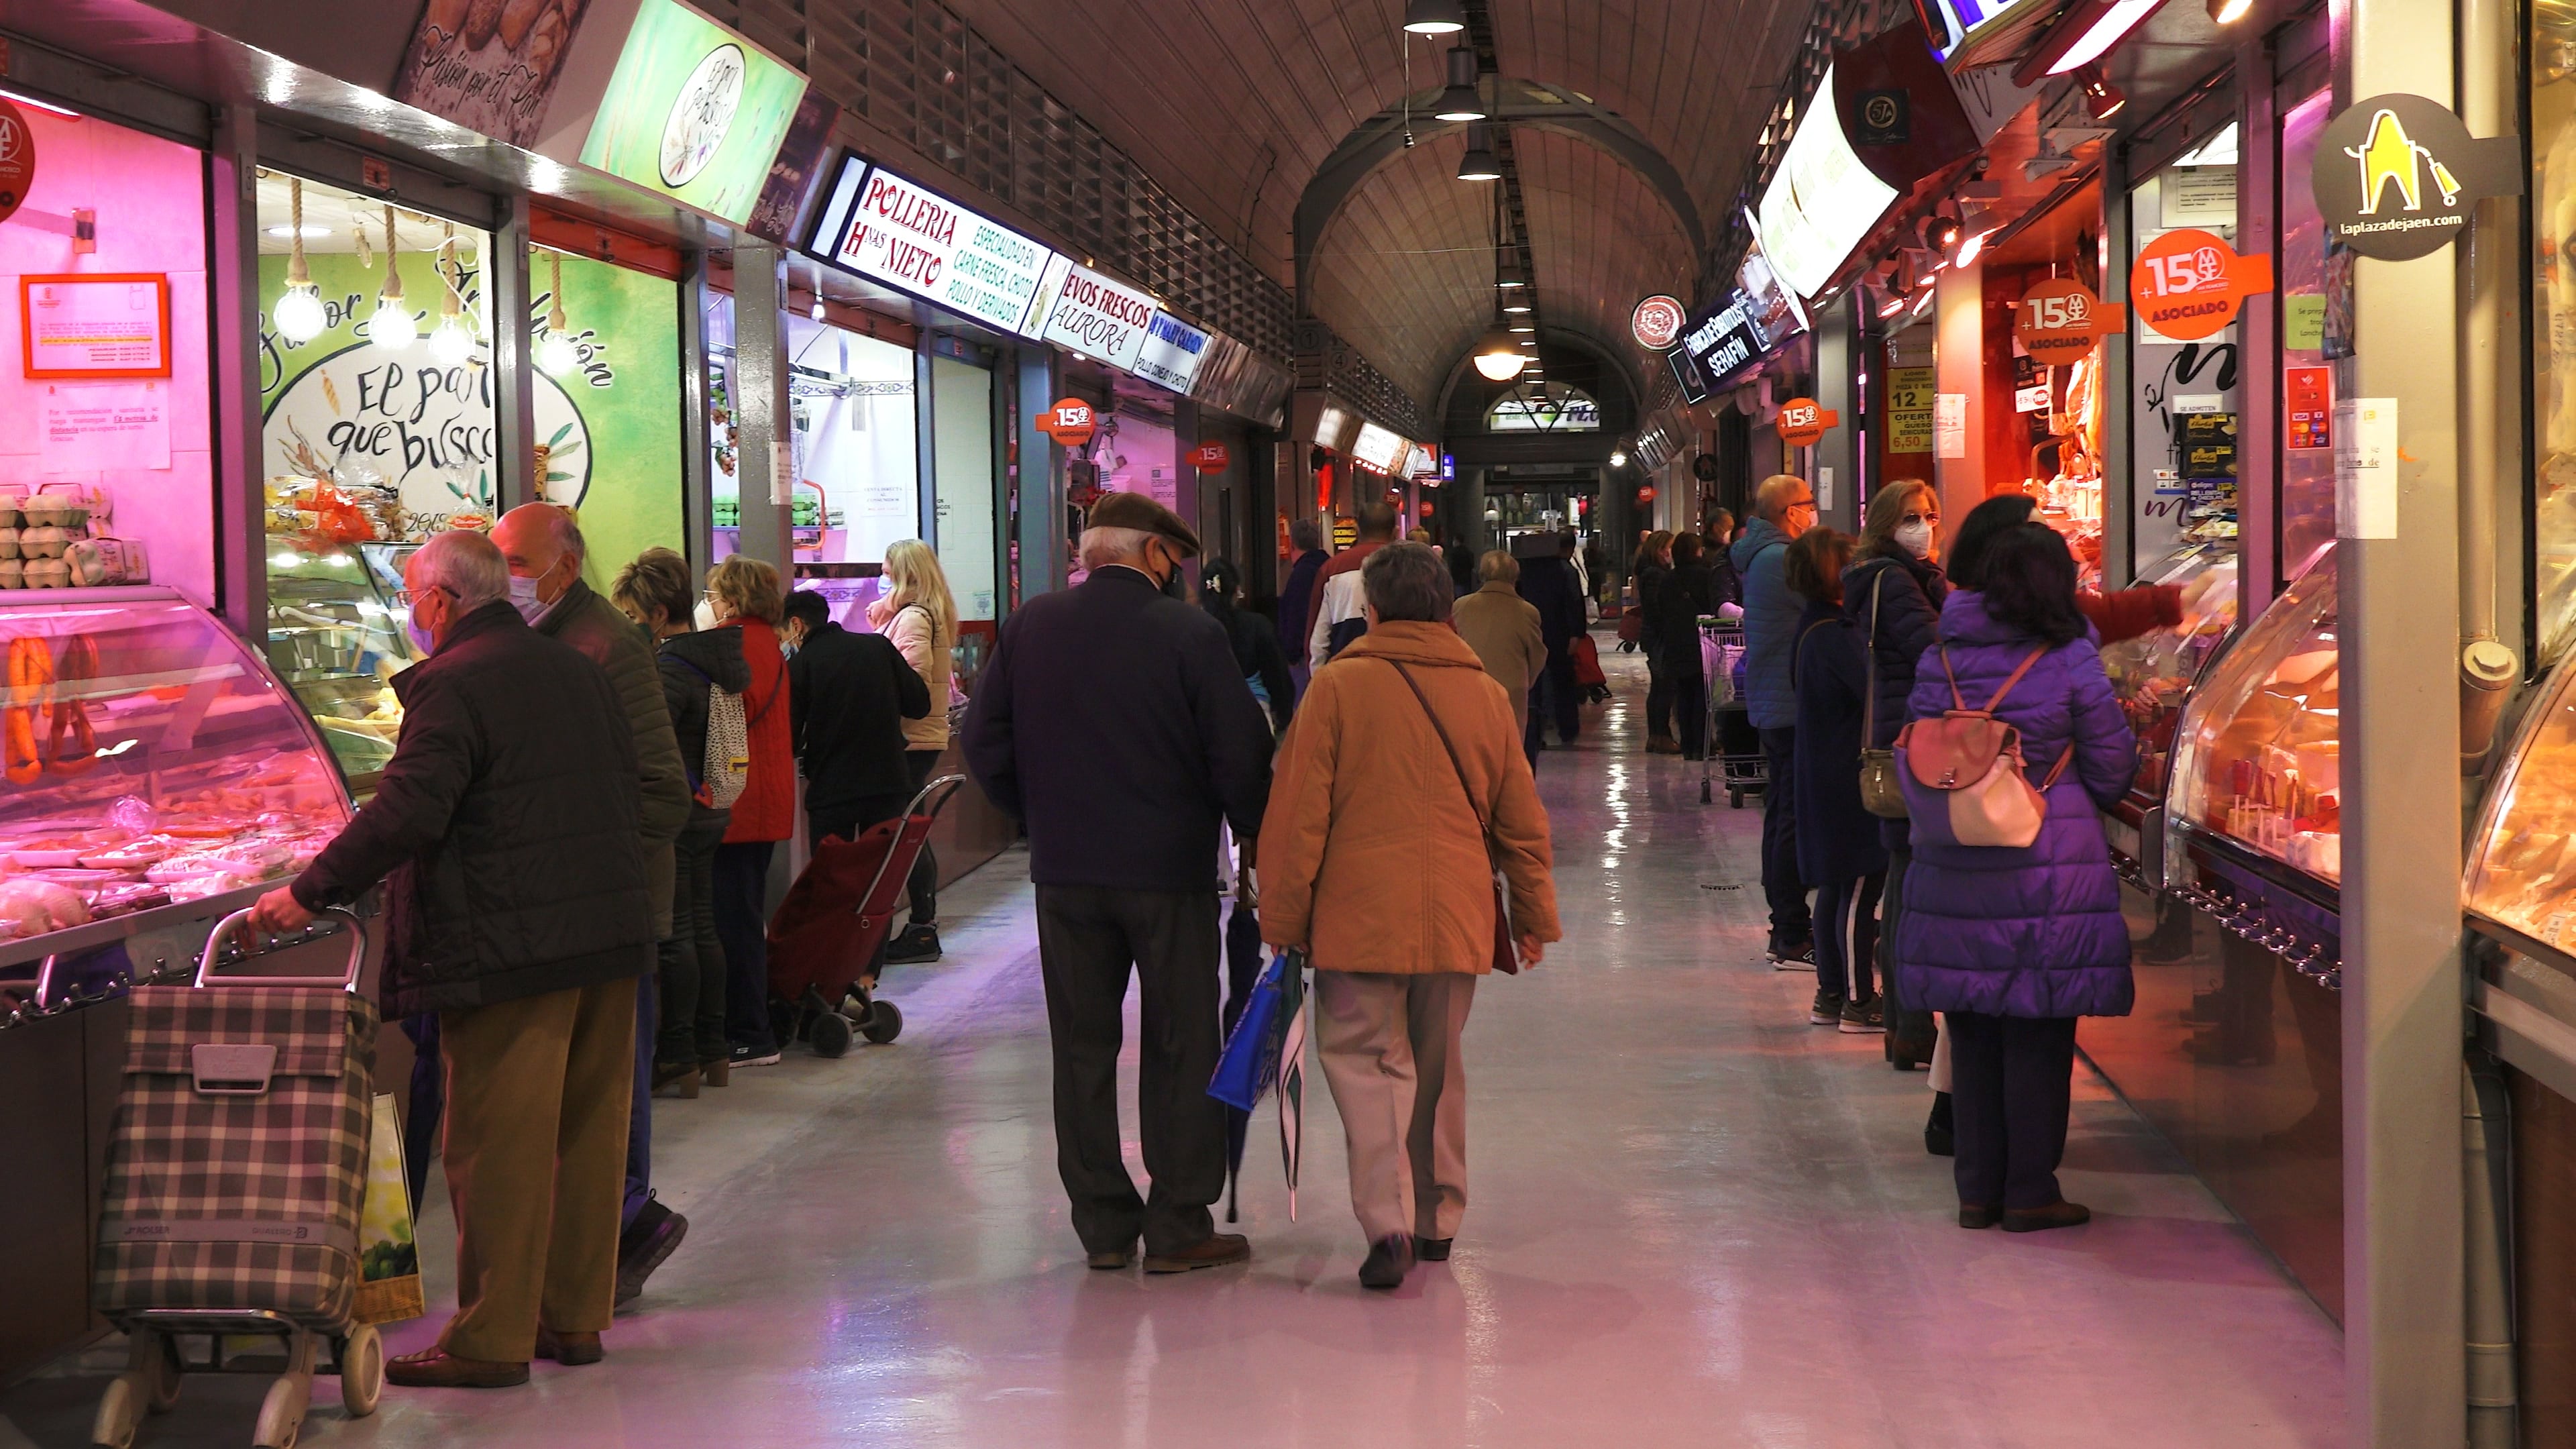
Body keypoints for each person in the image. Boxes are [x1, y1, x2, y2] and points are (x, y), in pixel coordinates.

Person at [249, 530, 652, 1387]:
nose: (409, 612)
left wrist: (309, 891)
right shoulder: (574, 667)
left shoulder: (452, 682)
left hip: (513, 944)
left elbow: (409, 810)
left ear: (442, 600)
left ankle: (490, 1340)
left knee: (497, 1148)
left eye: (411, 596)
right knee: (587, 1138)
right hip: (606, 935)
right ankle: (574, 1323)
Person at [961, 492, 1273, 1274]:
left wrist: (1035, 814)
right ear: (1154, 555)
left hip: (1066, 876)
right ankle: (1176, 1223)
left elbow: (983, 738)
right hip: (1169, 875)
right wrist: (1254, 832)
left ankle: (1103, 1224)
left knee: (1083, 1046)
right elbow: (1239, 754)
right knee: (1180, 1038)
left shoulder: (1032, 625)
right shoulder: (1191, 634)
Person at [1258, 542, 1559, 1289]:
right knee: (1438, 1067)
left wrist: (1285, 919)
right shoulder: (1485, 694)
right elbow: (1520, 820)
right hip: (1455, 912)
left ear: (1372, 607)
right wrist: (1532, 916)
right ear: (1444, 607)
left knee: (1365, 1063)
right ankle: (1438, 1220)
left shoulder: (1335, 690)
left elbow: (1300, 820)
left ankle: (1385, 1220)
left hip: (1356, 914)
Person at [1898, 523, 2137, 1234]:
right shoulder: (2067, 658)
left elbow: (1921, 751)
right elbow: (2110, 767)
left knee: (1971, 1031)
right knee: (2037, 1032)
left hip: (1951, 863)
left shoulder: (1938, 656)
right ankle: (2030, 1190)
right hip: (2044, 869)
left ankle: (1977, 1191)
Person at [489, 504, 691, 1304]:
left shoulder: (606, 644)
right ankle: (594, 1247)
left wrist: (576, 869)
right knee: (586, 1092)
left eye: (515, 562)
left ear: (563, 567)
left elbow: (662, 793)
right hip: (574, 910)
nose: (505, 578)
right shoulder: (546, 638)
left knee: (613, 1089)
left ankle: (625, 1233)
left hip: (614, 910)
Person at [610, 549, 745, 1112]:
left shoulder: (668, 666)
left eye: (637, 615)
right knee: (705, 927)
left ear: (660, 614)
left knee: (678, 935)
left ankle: (678, 1054)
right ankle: (712, 1047)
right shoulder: (718, 655)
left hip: (681, 809)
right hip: (715, 802)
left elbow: (652, 746)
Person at [1845, 480, 1947, 1083]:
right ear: (1887, 526)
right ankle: (1910, 1022)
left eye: (1931, 515)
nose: (1924, 526)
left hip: (1906, 741)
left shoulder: (1897, 578)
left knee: (1904, 881)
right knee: (1908, 886)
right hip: (1917, 747)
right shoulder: (1897, 582)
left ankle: (1905, 1024)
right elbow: (1938, 655)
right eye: (1912, 517)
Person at [1786, 527, 1886, 1034]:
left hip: (1822, 771)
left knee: (1835, 886)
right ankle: (1858, 998)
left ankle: (1830, 993)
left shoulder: (1813, 629)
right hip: (1848, 777)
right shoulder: (1837, 634)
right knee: (1861, 886)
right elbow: (1875, 690)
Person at [704, 555, 795, 1069]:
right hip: (763, 799)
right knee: (743, 917)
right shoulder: (768, 642)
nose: (711, 603)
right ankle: (751, 1025)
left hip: (738, 803)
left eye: (716, 594)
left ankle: (749, 1033)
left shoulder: (733, 644)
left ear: (733, 599)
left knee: (732, 924)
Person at [1733, 474, 1819, 965]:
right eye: (1809, 504)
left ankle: (1785, 926)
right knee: (1789, 816)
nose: (1813, 511)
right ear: (1791, 511)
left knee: (1782, 813)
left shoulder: (1762, 556)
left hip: (1775, 701)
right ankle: (1790, 930)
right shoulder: (1781, 560)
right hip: (1788, 703)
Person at [785, 588, 930, 853]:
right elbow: (920, 704)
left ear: (796, 624)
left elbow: (790, 738)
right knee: (881, 876)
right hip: (888, 784)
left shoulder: (800, 665)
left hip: (832, 791)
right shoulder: (878, 646)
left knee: (832, 878)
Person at [868, 539, 959, 963]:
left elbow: (911, 683)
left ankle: (923, 928)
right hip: (920, 737)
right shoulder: (921, 614)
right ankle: (923, 926)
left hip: (910, 738)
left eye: (887, 571)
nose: (883, 578)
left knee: (907, 836)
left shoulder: (914, 620)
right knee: (910, 833)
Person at [1948, 493, 2185, 642]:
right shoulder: (2055, 623)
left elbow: (2112, 612)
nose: (2050, 542)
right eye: (2037, 532)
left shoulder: (1949, 631)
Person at [1451, 548, 1548, 769]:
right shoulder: (1527, 612)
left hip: (1470, 689)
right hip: (1511, 692)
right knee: (1510, 757)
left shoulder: (1461, 607)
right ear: (1515, 577)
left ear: (1481, 575)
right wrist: (1525, 681)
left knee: (1474, 757)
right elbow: (1538, 656)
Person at [1200, 557, 1296, 732]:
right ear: (1237, 591)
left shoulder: (1193, 629)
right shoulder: (1257, 626)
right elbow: (1277, 676)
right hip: (1254, 715)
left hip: (1205, 719)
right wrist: (1283, 714)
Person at [1515, 531, 1587, 752]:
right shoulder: (1565, 571)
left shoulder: (1524, 571)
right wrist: (1577, 633)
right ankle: (1568, 729)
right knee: (1563, 681)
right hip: (1560, 632)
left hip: (1530, 631)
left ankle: (1534, 735)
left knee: (1532, 684)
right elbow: (1574, 603)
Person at [1307, 501, 1399, 665]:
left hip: (1344, 672)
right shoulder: (1410, 568)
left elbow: (1317, 641)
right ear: (1396, 532)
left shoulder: (1332, 569)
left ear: (1357, 529)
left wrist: (1319, 681)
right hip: (1400, 673)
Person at [1652, 534, 1715, 760]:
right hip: (1702, 642)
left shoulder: (1669, 579)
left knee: (1684, 694)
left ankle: (1687, 744)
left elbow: (1661, 610)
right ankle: (1701, 744)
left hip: (1676, 643)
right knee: (1702, 694)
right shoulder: (1707, 576)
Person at [1633, 531, 1676, 752]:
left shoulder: (1650, 572)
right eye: (1669, 547)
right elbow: (1657, 607)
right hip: (1659, 636)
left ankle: (1657, 736)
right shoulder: (1656, 575)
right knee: (1663, 687)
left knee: (1659, 687)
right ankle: (1661, 735)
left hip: (1654, 635)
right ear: (1661, 550)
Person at [1278, 518, 1330, 694]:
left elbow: (1297, 617)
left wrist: (1291, 654)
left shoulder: (1301, 575)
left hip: (1304, 658)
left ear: (1292, 545)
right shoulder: (1329, 568)